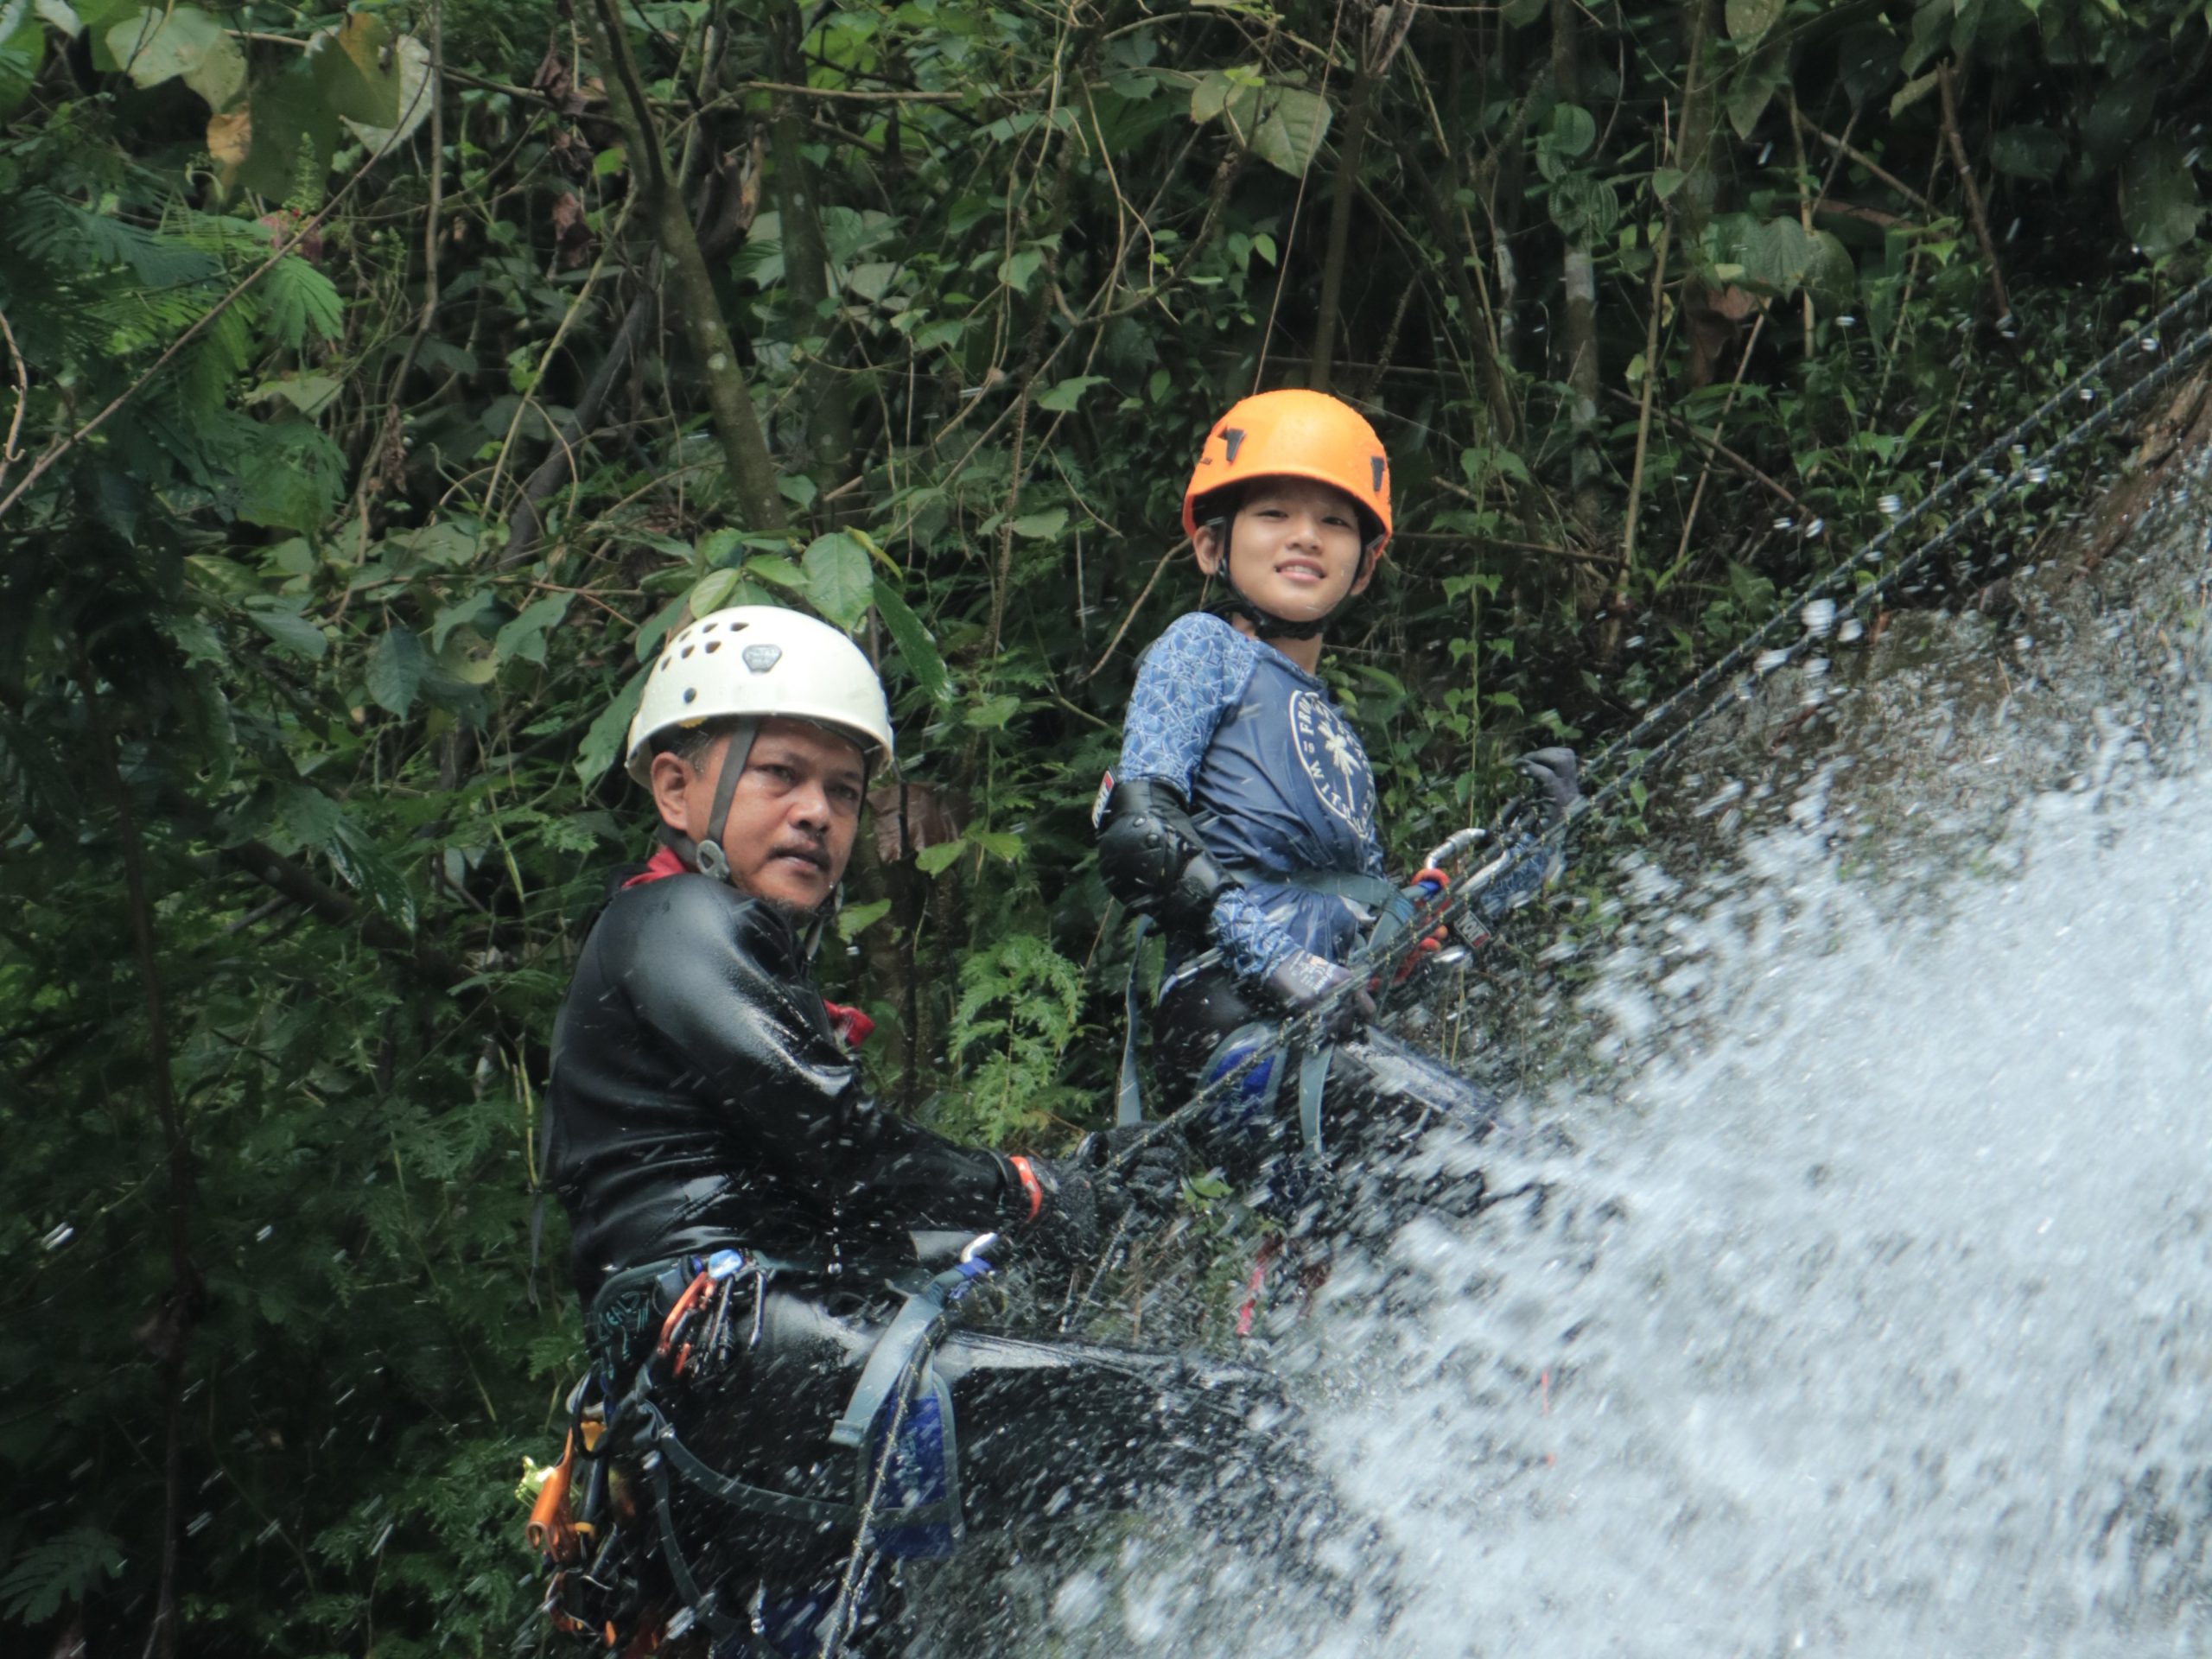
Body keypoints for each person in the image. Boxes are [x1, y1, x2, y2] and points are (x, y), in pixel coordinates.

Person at [531, 607, 1295, 1657]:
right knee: (1233, 1420)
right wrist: (1028, 1189)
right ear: (674, 788)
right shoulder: (669, 923)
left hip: (737, 1380)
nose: (816, 815)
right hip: (750, 1349)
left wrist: (1079, 1185)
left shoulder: (700, 951)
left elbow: (854, 1197)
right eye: (781, 777)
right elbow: (842, 1141)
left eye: (842, 793)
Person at [1094, 389, 1580, 1217]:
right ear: (1214, 543)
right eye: (1275, 513)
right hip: (1231, 1023)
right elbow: (1140, 834)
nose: (1305, 538)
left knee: (1466, 1236)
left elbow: (1369, 964)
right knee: (1524, 1176)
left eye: (1336, 523)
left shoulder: (1335, 731)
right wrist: (1280, 964)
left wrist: (1527, 859)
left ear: (1366, 562)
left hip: (1314, 1033)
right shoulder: (1202, 651)